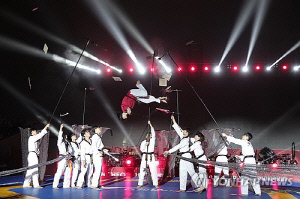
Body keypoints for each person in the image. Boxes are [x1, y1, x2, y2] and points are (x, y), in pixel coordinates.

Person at [163, 116, 201, 192]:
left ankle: (200, 185)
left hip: (187, 156)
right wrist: (173, 120)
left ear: (188, 133)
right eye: (183, 131)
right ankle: (182, 188)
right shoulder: (183, 137)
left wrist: (169, 151)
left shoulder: (186, 140)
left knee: (192, 172)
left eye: (184, 131)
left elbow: (178, 146)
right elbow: (178, 130)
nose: (183, 132)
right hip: (183, 157)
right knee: (182, 172)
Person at [23, 123, 50, 188]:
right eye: (34, 131)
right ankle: (36, 185)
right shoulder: (32, 138)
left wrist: (37, 152)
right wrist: (45, 127)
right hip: (32, 155)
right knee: (35, 169)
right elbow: (40, 135)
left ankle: (26, 184)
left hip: (32, 155)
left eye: (35, 131)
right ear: (31, 132)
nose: (35, 132)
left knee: (30, 170)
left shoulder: (33, 140)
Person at [137, 121, 158, 188]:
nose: (150, 136)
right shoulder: (143, 142)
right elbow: (141, 149)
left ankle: (155, 183)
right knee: (142, 169)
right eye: (149, 135)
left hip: (151, 156)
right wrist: (145, 145)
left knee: (153, 169)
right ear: (146, 136)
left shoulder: (152, 141)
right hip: (145, 156)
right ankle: (140, 183)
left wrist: (150, 124)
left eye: (150, 135)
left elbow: (153, 132)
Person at [53, 124, 71, 189]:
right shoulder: (60, 143)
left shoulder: (67, 143)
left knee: (68, 171)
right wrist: (60, 129)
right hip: (62, 158)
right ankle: (55, 185)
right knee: (60, 171)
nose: (66, 137)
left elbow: (71, 150)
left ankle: (66, 185)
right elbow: (59, 137)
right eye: (65, 136)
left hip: (67, 158)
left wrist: (69, 153)